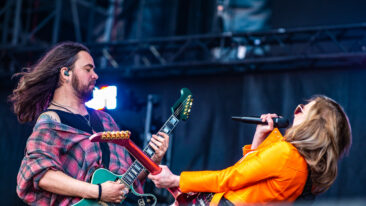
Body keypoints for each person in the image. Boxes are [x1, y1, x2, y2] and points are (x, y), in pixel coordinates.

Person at [9, 42, 170, 205]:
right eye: (88, 69)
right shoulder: (51, 121)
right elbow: (41, 175)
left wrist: (153, 160)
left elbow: (125, 182)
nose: (95, 75)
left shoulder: (106, 120)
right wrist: (98, 192)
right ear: (66, 73)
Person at [148, 95, 352, 205]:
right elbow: (250, 178)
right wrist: (260, 136)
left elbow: (230, 178)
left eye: (302, 110)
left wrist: (176, 180)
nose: (296, 111)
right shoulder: (304, 169)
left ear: (313, 124)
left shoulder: (287, 154)